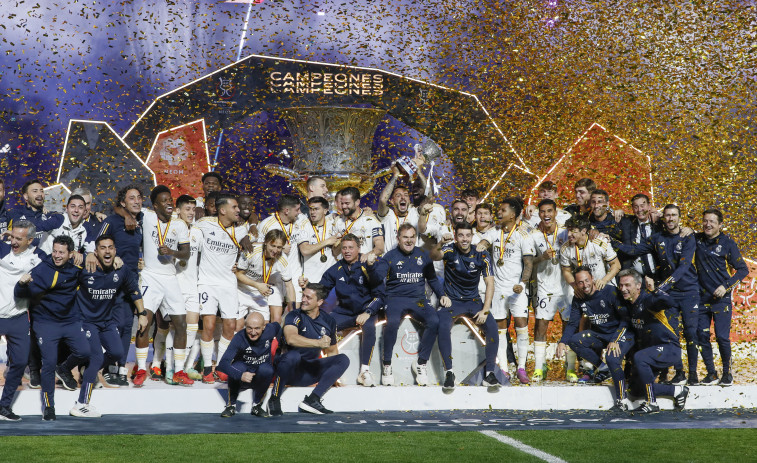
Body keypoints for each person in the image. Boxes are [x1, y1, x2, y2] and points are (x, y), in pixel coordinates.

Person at [59, 235, 146, 418]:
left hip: (106, 321)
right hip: (85, 320)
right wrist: (80, 254)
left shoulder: (121, 269)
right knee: (97, 358)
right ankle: (82, 403)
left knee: (116, 353)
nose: (107, 251)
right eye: (103, 248)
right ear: (96, 252)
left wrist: (143, 314)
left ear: (115, 250)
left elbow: (134, 291)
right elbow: (64, 264)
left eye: (111, 248)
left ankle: (68, 368)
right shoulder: (85, 267)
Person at [614, 204, 699, 385]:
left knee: (691, 333)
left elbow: (683, 267)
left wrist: (661, 288)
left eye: (674, 215)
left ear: (679, 217)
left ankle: (693, 375)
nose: (670, 219)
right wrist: (610, 241)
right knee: (670, 333)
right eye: (667, 216)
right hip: (669, 294)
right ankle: (676, 373)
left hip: (688, 292)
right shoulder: (656, 238)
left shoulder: (688, 236)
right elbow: (633, 251)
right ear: (663, 218)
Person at [15, 236, 88, 421]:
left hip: (70, 321)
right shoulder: (42, 270)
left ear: (71, 254)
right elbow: (20, 293)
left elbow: (97, 260)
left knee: (85, 352)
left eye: (61, 252)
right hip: (46, 323)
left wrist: (91, 255)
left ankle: (63, 369)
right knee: (48, 364)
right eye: (54, 251)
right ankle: (49, 406)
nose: (56, 255)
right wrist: (21, 284)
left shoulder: (76, 266)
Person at [300, 234, 383, 387]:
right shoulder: (336, 269)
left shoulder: (368, 265)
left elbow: (380, 295)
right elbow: (321, 290)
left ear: (359, 249)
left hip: (365, 311)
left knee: (369, 326)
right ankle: (320, 367)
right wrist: (308, 286)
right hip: (344, 312)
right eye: (344, 248)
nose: (347, 251)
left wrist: (368, 312)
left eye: (351, 247)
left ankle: (364, 371)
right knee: (323, 325)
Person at [369, 223, 442, 386]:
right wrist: (371, 266)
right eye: (405, 237)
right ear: (398, 239)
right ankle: (387, 364)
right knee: (392, 323)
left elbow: (432, 279)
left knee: (435, 321)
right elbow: (376, 279)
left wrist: (442, 295)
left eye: (412, 237)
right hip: (395, 298)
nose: (409, 241)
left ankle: (421, 363)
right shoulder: (389, 256)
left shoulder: (424, 254)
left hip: (419, 299)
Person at [430, 222, 500, 392]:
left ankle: (489, 373)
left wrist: (485, 309)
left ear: (472, 236)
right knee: (442, 326)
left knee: (492, 328)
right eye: (460, 235)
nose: (464, 239)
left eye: (467, 235)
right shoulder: (449, 249)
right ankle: (449, 373)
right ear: (455, 236)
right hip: (452, 301)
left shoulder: (481, 255)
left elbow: (490, 283)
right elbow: (434, 256)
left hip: (473, 301)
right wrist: (440, 243)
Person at [132, 185, 191, 386]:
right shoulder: (147, 217)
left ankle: (180, 371)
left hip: (170, 277)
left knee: (181, 323)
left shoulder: (180, 225)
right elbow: (123, 208)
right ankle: (141, 369)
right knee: (144, 322)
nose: (169, 203)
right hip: (149, 276)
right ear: (155, 205)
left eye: (170, 200)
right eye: (164, 201)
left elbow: (186, 253)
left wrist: (171, 252)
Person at [267, 283, 349, 416]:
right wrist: (318, 343)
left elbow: (332, 351)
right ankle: (274, 399)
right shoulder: (294, 315)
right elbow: (291, 338)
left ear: (320, 302)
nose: (304, 300)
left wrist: (333, 378)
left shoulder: (328, 321)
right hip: (287, 371)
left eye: (308, 297)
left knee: (343, 359)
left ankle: (313, 400)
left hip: (308, 372)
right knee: (294, 356)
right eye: (303, 295)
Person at [476, 198, 534, 384]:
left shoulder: (524, 235)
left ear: (513, 214)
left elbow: (528, 263)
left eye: (502, 210)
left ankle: (522, 367)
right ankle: (503, 368)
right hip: (498, 288)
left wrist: (523, 284)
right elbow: (484, 242)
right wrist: (481, 246)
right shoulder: (495, 231)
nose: (499, 213)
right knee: (500, 328)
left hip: (517, 288)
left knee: (521, 326)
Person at [618, 269, 690, 413]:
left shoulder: (648, 299)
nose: (623, 289)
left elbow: (670, 302)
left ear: (638, 286)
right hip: (651, 353)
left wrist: (655, 290)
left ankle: (652, 403)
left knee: (640, 357)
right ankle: (677, 391)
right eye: (621, 285)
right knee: (635, 390)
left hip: (668, 348)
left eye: (627, 285)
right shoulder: (630, 304)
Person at [194, 193, 249, 384]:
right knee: (208, 325)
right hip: (207, 283)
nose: (238, 210)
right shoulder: (204, 224)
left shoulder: (242, 230)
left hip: (228, 283)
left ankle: (223, 366)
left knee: (230, 326)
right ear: (222, 210)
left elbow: (251, 235)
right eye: (234, 207)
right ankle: (207, 367)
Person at [556, 266, 632, 400]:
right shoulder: (578, 298)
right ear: (576, 284)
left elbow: (625, 319)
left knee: (612, 357)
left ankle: (622, 399)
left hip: (620, 334)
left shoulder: (610, 291)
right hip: (601, 335)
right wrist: (562, 342)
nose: (584, 285)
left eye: (586, 280)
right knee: (574, 340)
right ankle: (603, 368)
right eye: (580, 282)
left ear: (593, 279)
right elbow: (573, 323)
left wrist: (615, 340)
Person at [94, 184, 144, 387]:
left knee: (125, 326)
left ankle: (120, 367)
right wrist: (112, 259)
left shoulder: (141, 221)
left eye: (139, 197)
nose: (137, 201)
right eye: (131, 198)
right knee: (113, 325)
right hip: (112, 279)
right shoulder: (112, 221)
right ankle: (107, 367)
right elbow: (97, 242)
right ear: (123, 202)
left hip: (131, 280)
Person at [694, 208, 748, 386]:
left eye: (712, 222)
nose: (707, 224)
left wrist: (725, 287)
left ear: (720, 225)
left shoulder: (727, 243)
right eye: (705, 221)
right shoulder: (697, 240)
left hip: (721, 299)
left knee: (722, 337)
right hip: (701, 299)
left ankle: (727, 373)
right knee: (701, 337)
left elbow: (743, 269)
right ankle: (711, 373)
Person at [0, 221, 45, 421]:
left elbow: (57, 260)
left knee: (19, 362)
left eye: (19, 239)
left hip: (18, 316)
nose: (13, 242)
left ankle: (4, 406)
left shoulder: (38, 258)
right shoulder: (2, 249)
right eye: (12, 237)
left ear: (30, 240)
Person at [530, 199, 572, 382]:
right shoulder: (533, 234)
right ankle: (539, 368)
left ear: (556, 212)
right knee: (540, 326)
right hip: (544, 286)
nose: (546, 215)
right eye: (542, 212)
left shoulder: (565, 231)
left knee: (568, 326)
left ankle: (570, 368)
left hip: (565, 286)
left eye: (549, 211)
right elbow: (527, 262)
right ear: (538, 214)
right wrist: (541, 257)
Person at [218, 312, 277, 418]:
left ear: (264, 327)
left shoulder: (270, 330)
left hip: (260, 376)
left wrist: (282, 344)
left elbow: (278, 327)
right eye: (249, 328)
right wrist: (240, 375)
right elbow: (222, 364)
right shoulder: (239, 338)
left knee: (267, 369)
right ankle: (231, 405)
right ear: (245, 326)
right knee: (237, 366)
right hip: (242, 376)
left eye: (257, 328)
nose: (253, 332)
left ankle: (257, 405)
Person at [236, 229, 295, 324]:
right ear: (266, 242)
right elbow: (238, 274)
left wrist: (293, 310)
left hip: (259, 292)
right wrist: (257, 285)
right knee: (238, 326)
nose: (275, 250)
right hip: (241, 290)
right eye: (273, 246)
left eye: (279, 247)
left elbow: (289, 285)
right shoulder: (252, 251)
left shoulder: (282, 259)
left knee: (264, 325)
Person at [174, 194, 203, 380]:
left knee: (192, 326)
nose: (191, 213)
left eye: (193, 209)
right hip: (174, 284)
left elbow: (199, 259)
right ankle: (168, 367)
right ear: (178, 210)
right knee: (175, 328)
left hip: (192, 284)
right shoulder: (170, 229)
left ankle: (185, 366)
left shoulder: (198, 232)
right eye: (187, 209)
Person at [257, 195, 304, 307]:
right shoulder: (266, 224)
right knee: (275, 316)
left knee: (293, 312)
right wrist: (281, 249)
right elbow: (260, 250)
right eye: (296, 210)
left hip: (293, 275)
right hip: (273, 276)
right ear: (286, 211)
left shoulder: (300, 221)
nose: (299, 213)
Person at [560, 216, 621, 294]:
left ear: (583, 231)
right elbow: (566, 271)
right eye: (568, 231)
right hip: (584, 290)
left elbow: (616, 265)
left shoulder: (599, 242)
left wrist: (604, 280)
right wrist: (575, 286)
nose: (569, 234)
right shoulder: (565, 249)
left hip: (605, 286)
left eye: (572, 231)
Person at [295, 196, 339, 285]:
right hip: (311, 279)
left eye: (316, 209)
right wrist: (326, 242)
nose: (312, 212)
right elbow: (305, 250)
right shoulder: (304, 225)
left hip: (331, 279)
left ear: (325, 210)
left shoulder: (333, 223)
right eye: (311, 209)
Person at [618, 193, 663, 273]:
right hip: (634, 277)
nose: (639, 210)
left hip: (659, 274)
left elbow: (674, 225)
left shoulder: (659, 223)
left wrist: (689, 230)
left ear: (649, 206)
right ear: (632, 208)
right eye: (636, 207)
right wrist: (617, 212)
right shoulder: (627, 223)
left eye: (642, 206)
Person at [334, 187, 384, 257]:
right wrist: (344, 241)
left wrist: (366, 256)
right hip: (343, 266)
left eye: (347, 203)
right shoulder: (338, 221)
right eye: (342, 203)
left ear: (357, 202)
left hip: (363, 265)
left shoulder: (371, 220)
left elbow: (380, 248)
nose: (344, 206)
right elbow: (335, 252)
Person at [377, 171, 418, 253]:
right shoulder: (388, 215)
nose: (403, 197)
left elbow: (428, 197)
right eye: (398, 195)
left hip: (412, 261)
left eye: (406, 195)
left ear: (409, 200)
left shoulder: (415, 213)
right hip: (392, 262)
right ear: (392, 201)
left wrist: (419, 172)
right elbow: (382, 200)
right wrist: (395, 175)